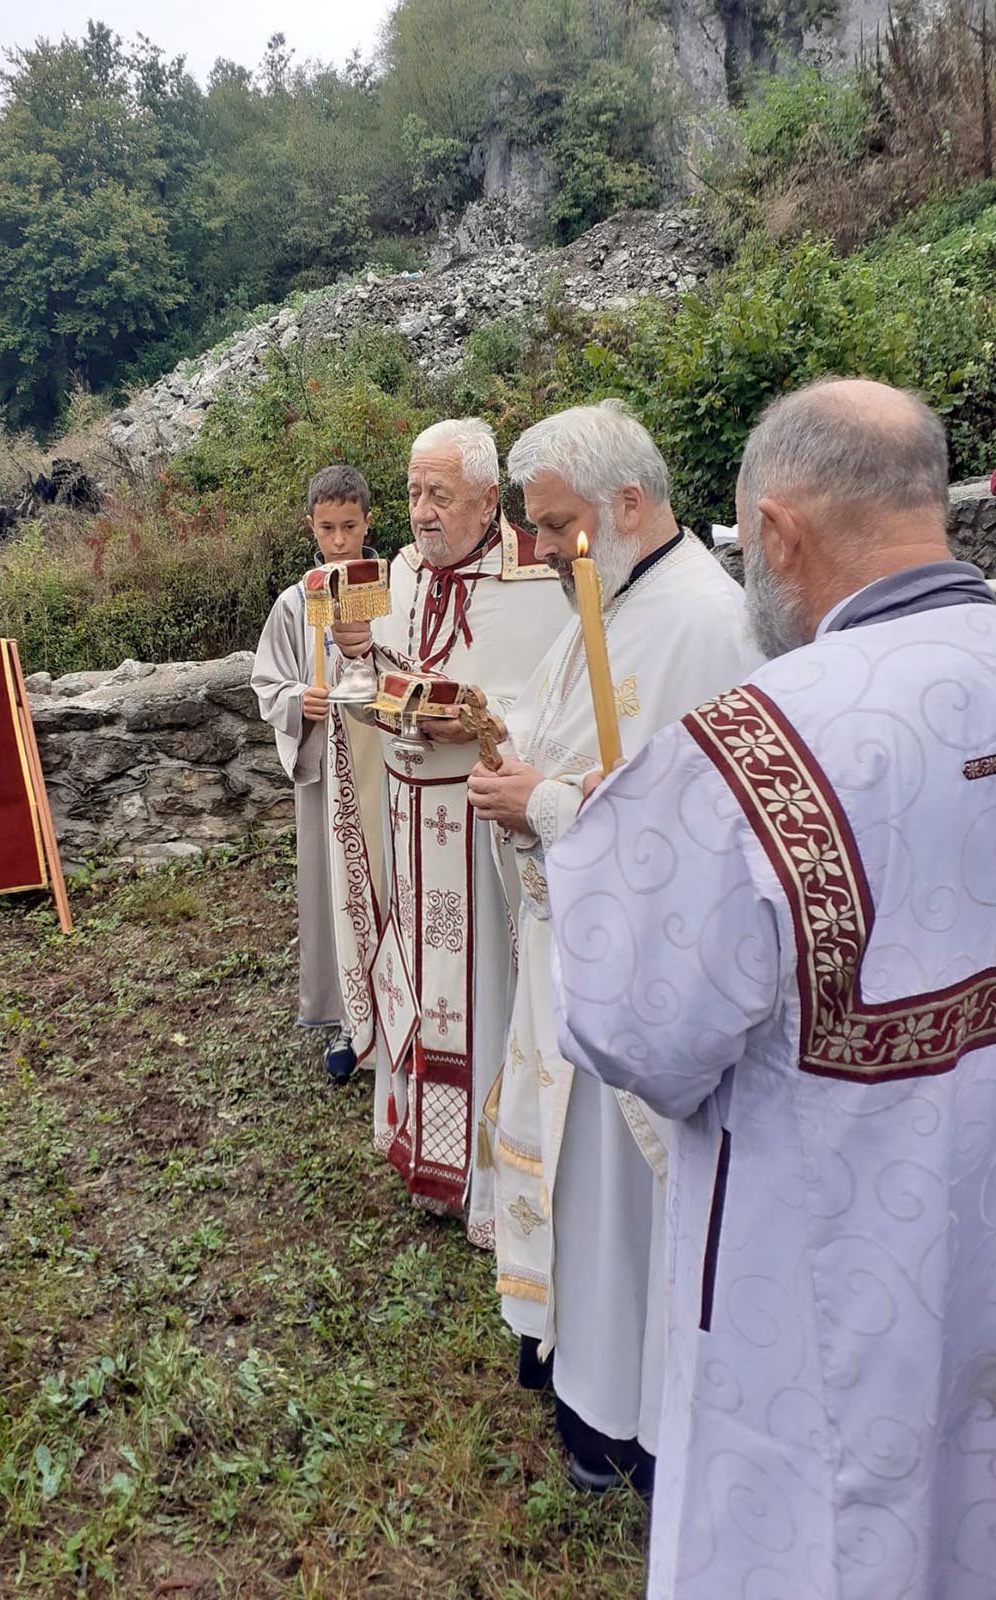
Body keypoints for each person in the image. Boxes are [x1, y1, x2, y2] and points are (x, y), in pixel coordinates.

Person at [548, 377, 996, 1598]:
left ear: (782, 532)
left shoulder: (756, 744)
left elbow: (633, 1024)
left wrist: (599, 836)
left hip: (827, 1275)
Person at [466, 402, 760, 1494]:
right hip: (570, 944)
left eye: (552, 524)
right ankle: (568, 1351)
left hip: (642, 969)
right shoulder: (617, 592)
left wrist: (542, 803)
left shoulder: (707, 625)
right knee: (567, 1163)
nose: (536, 547)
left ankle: (624, 1411)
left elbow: (703, 830)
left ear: (628, 504)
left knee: (622, 1197)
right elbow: (585, 738)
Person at [328, 418, 570, 1242]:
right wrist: (364, 653)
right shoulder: (397, 569)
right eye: (412, 493)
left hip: (483, 834)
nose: (421, 512)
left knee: (484, 989)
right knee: (416, 976)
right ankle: (415, 1145)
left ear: (487, 499)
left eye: (441, 495)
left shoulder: (541, 584)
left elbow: (556, 711)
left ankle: (482, 1178)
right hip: (409, 814)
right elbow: (379, 673)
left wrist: (475, 720)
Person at [251, 465, 374, 1082]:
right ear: (310, 527)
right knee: (333, 890)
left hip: (384, 768)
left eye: (349, 527)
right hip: (327, 770)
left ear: (368, 523)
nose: (338, 542)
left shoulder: (392, 588)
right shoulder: (293, 603)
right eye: (326, 528)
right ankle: (348, 1015)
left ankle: (402, 1011)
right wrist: (301, 699)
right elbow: (266, 681)